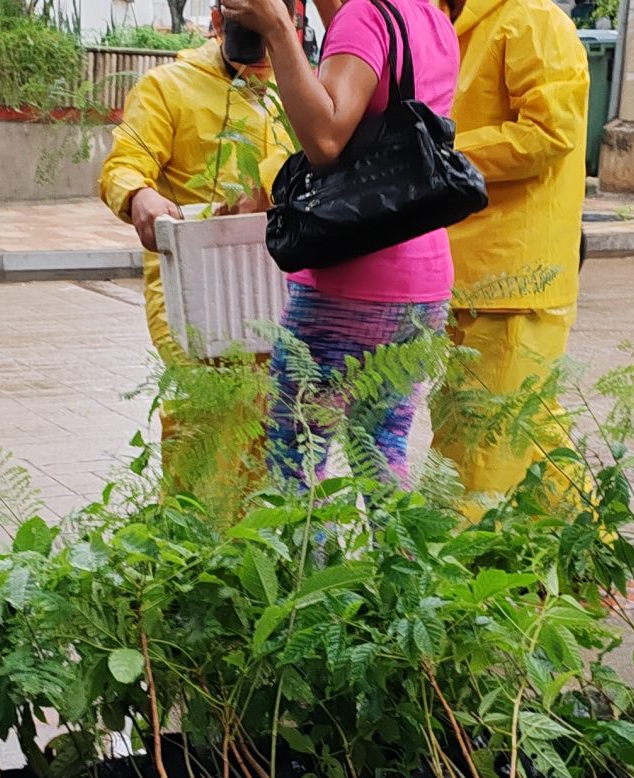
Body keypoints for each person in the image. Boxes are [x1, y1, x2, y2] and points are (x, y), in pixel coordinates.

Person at [220, 0, 462, 486]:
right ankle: (403, 562)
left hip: (353, 278)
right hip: (423, 275)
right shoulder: (430, 16)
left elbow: (326, 139)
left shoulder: (364, 17)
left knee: (298, 460)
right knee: (383, 452)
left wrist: (278, 30)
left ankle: (312, 563)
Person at [434, 0, 587, 506]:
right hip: (464, 271)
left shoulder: (533, 19)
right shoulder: (445, 23)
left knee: (481, 453)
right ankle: (584, 559)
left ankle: (477, 579)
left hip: (515, 280)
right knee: (529, 438)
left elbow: (549, 132)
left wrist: (440, 153)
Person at [98, 13, 295, 364]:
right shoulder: (166, 87)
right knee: (200, 412)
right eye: (252, 34)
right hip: (195, 289)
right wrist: (139, 195)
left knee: (280, 411)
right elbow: (123, 165)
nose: (263, 55)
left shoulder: (298, 89)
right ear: (220, 23)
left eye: (274, 31)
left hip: (281, 289)